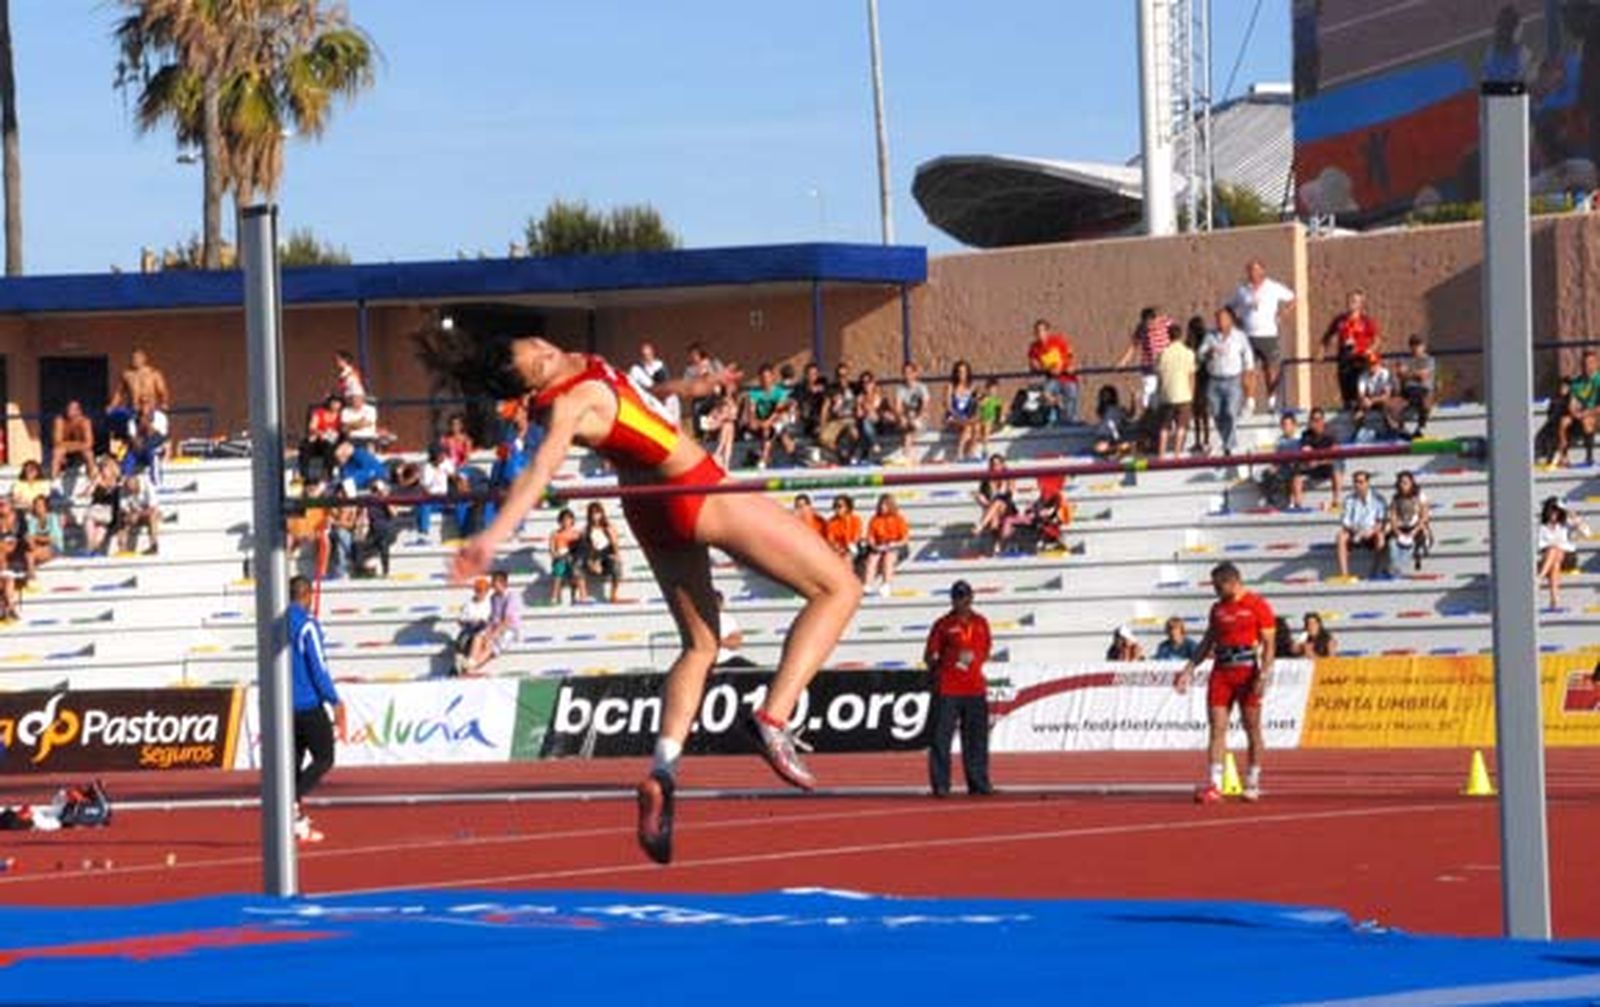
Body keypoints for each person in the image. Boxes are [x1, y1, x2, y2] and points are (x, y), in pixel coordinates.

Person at [450, 338, 862, 864]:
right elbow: (542, 469)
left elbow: (647, 393)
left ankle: (662, 774)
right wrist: (492, 536)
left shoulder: (584, 365)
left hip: (650, 509)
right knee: (839, 587)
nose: (541, 347)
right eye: (531, 358)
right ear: (532, 381)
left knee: (700, 645)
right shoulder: (570, 403)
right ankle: (773, 719)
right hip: (693, 487)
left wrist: (695, 388)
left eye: (532, 342)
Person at [1174, 562, 1276, 803]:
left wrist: (1264, 675)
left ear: (1232, 582)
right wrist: (1188, 669)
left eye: (1219, 587)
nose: (1215, 592)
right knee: (1217, 727)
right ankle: (1214, 784)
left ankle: (1252, 780)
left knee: (1252, 728)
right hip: (1221, 673)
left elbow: (1269, 645)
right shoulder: (1217, 609)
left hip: (1248, 672)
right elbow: (1207, 641)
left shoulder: (1257, 605)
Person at [923, 580, 994, 797]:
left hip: (974, 688)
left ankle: (978, 782)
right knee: (941, 738)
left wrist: (972, 662)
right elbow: (929, 655)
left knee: (976, 739)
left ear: (971, 598)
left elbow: (986, 648)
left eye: (964, 597)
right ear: (952, 599)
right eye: (957, 597)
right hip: (948, 689)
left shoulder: (981, 622)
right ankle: (941, 785)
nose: (961, 602)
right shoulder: (943, 624)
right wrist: (944, 667)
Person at [289, 575, 341, 844]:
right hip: (307, 704)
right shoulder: (307, 626)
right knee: (324, 758)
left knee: (293, 764)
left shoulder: (276, 624)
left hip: (283, 708)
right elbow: (318, 668)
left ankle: (294, 820)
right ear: (307, 595)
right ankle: (288, 805)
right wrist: (334, 700)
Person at [1226, 259, 1296, 412]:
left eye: (1257, 270)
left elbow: (1292, 298)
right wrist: (1237, 321)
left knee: (1270, 369)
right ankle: (1250, 402)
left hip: (1268, 334)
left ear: (1263, 271)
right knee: (1249, 369)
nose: (1254, 273)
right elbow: (1229, 306)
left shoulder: (1273, 287)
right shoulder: (1242, 289)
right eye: (1250, 270)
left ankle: (1272, 401)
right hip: (1248, 335)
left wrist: (1282, 314)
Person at [1200, 307, 1252, 459]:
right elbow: (1200, 354)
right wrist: (1208, 352)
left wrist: (1248, 371)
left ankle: (1229, 446)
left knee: (1230, 412)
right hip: (1214, 380)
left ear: (1230, 319)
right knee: (1217, 414)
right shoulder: (1210, 336)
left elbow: (1247, 354)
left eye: (1222, 318)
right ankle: (1228, 442)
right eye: (1217, 319)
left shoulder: (1240, 336)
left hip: (1232, 379)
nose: (1219, 322)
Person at [1320, 290, 1379, 412]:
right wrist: (1321, 351)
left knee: (1359, 390)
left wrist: (1370, 350)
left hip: (1360, 359)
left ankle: (1362, 416)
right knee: (1346, 391)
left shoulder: (1365, 321)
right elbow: (1328, 336)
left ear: (1360, 304)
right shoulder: (1340, 319)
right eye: (1349, 300)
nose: (1351, 303)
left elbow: (1377, 340)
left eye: (1354, 301)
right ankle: (1348, 411)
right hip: (1344, 358)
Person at [1538, 496, 1591, 609]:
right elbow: (1540, 548)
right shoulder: (1542, 528)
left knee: (1555, 549)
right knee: (1555, 562)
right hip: (1550, 560)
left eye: (1557, 510)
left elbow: (1587, 534)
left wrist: (1575, 518)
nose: (1554, 513)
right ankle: (1554, 601)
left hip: (1568, 558)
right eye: (1552, 510)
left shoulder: (1566, 524)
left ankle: (1539, 579)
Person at [465, 569, 521, 674]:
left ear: (502, 583)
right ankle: (471, 663)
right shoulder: (493, 597)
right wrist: (487, 632)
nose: (492, 585)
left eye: (494, 582)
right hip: (496, 627)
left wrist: (492, 636)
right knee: (478, 637)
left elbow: (507, 620)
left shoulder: (511, 597)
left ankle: (471, 668)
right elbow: (492, 618)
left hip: (509, 629)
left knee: (491, 646)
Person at [1118, 306, 1172, 413]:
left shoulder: (1166, 322)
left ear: (1155, 319)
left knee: (1166, 394)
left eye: (1150, 324)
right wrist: (1123, 361)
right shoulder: (1141, 328)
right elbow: (1134, 345)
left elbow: (1175, 336)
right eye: (1145, 324)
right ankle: (1150, 416)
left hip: (1166, 366)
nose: (1148, 327)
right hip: (1149, 366)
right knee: (1148, 395)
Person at [1335, 470, 1388, 580]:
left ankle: (1375, 572)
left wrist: (1370, 532)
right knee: (1341, 536)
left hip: (1372, 533)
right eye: (1355, 482)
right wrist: (1357, 531)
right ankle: (1344, 574)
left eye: (1361, 482)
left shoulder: (1378, 499)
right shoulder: (1349, 500)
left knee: (1381, 536)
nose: (1357, 485)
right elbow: (1346, 522)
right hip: (1355, 532)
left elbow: (1381, 521)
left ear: (1368, 483)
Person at [1290, 407, 1343, 511]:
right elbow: (1305, 451)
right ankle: (1297, 503)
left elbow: (1335, 454)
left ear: (1323, 420)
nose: (1315, 423)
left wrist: (1318, 461)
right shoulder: (1306, 435)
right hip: (1314, 465)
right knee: (1297, 470)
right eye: (1313, 420)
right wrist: (1310, 460)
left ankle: (1336, 501)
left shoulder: (1331, 433)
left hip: (1328, 464)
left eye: (1318, 420)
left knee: (1337, 465)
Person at [1156, 321, 1197, 457]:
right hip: (1183, 394)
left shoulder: (1162, 353)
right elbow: (1191, 375)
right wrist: (1191, 393)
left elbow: (1159, 374)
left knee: (1164, 427)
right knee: (1181, 426)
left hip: (1167, 394)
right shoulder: (1188, 353)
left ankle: (1161, 454)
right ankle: (1177, 453)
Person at [1027, 319, 1079, 424]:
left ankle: (1070, 422)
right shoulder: (1034, 348)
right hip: (1053, 379)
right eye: (1037, 332)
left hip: (1067, 378)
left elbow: (1070, 354)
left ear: (1047, 332)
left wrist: (1069, 366)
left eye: (1042, 331)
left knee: (1071, 398)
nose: (1040, 334)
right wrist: (1042, 368)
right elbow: (1033, 364)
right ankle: (1056, 405)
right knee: (1045, 393)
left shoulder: (1057, 341)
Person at [1388, 334, 1436, 437]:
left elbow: (1423, 376)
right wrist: (1412, 374)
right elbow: (1400, 374)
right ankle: (1400, 430)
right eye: (1412, 345)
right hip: (1407, 392)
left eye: (1418, 345)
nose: (1415, 348)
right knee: (1390, 406)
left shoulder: (1429, 360)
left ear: (1423, 346)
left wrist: (1408, 373)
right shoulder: (1406, 359)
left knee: (1425, 404)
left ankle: (1420, 429)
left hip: (1423, 391)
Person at [1386, 471, 1433, 574]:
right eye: (1401, 483)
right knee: (1392, 543)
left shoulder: (1420, 495)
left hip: (1416, 527)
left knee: (1415, 541)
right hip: (1401, 528)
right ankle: (1395, 566)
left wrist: (1414, 532)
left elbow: (1425, 516)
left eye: (1405, 482)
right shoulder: (1396, 498)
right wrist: (1398, 533)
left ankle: (1410, 562)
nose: (1403, 485)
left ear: (1412, 483)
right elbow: (1392, 517)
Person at [863, 493, 910, 596]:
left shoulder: (898, 519)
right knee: (872, 558)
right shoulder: (874, 519)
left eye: (884, 505)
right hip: (880, 546)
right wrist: (874, 546)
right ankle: (868, 584)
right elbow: (870, 537)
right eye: (880, 505)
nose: (881, 507)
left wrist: (894, 544)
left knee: (889, 558)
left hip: (896, 546)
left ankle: (886, 584)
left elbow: (905, 539)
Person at [1560, 350, 1600, 466]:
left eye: (1591, 363)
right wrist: (1574, 412)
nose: (1588, 366)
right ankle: (1564, 457)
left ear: (1597, 364)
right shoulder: (1577, 383)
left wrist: (1588, 413)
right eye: (1585, 364)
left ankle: (1589, 457)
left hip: (1595, 416)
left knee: (1587, 421)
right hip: (1580, 416)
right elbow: (1572, 403)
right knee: (1563, 422)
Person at [579, 501, 622, 603]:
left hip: (606, 554)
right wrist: (591, 561)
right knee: (577, 564)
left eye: (598, 513)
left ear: (602, 513)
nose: (595, 516)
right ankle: (583, 594)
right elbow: (586, 547)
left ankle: (613, 594)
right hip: (592, 555)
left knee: (617, 566)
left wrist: (616, 554)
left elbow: (614, 544)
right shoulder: (586, 530)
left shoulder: (608, 527)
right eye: (593, 513)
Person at [974, 454, 1017, 552]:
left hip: (1007, 507)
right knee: (994, 516)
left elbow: (1009, 495)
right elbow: (981, 495)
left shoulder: (1009, 477)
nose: (995, 467)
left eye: (997, 464)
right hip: (992, 509)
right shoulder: (986, 479)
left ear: (1002, 465)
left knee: (998, 502)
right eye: (993, 464)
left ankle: (981, 526)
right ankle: (997, 546)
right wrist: (980, 498)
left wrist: (1003, 485)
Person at [83, 457, 123, 556]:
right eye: (102, 467)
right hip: (102, 511)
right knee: (98, 528)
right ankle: (94, 549)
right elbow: (88, 493)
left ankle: (90, 547)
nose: (103, 470)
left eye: (105, 467)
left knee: (90, 519)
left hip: (105, 511)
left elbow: (89, 492)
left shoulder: (114, 483)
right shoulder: (101, 481)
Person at [1353, 353, 1398, 438]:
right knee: (1357, 410)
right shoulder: (1363, 375)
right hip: (1369, 400)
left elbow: (1386, 396)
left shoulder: (1385, 373)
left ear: (1379, 363)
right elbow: (1360, 394)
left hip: (1382, 400)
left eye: (1374, 364)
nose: (1371, 366)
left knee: (1388, 406)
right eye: (1369, 364)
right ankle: (1359, 432)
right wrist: (1364, 400)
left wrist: (1371, 401)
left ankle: (1393, 431)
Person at [453, 577, 492, 674]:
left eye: (482, 590)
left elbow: (489, 621)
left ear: (487, 591)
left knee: (478, 636)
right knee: (463, 638)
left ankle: (469, 667)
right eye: (478, 590)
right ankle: (463, 664)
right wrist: (468, 623)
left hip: (484, 633)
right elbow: (460, 620)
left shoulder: (489, 603)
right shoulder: (469, 604)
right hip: (469, 631)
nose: (480, 593)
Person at [1186, 316, 1213, 455]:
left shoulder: (1192, 343)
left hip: (1198, 377)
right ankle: (1204, 441)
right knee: (1202, 411)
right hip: (1202, 376)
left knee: (1198, 411)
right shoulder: (1203, 341)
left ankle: (1201, 441)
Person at [944, 360, 980, 460]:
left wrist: (975, 416)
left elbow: (976, 405)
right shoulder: (950, 387)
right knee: (967, 426)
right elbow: (947, 406)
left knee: (976, 427)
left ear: (968, 373)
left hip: (966, 417)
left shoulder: (972, 387)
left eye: (964, 372)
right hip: (953, 417)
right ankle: (959, 454)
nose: (961, 375)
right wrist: (958, 417)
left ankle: (971, 452)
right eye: (959, 372)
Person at [50, 401, 95, 479]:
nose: (70, 411)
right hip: (66, 449)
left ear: (79, 411)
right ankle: (54, 479)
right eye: (69, 408)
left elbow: (89, 443)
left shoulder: (85, 422)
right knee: (57, 452)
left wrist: (72, 446)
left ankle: (92, 478)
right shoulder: (60, 421)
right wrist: (75, 445)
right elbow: (57, 442)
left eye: (74, 409)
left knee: (89, 453)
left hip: (79, 449)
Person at [118, 471, 160, 555]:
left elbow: (153, 508)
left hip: (148, 514)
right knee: (122, 519)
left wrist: (137, 514)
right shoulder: (124, 488)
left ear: (137, 484)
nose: (131, 493)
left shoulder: (148, 484)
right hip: (134, 514)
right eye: (129, 491)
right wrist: (128, 515)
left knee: (153, 516)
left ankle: (153, 546)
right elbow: (123, 508)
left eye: (133, 491)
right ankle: (122, 549)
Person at [547, 508, 584, 604]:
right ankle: (554, 596)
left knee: (575, 568)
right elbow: (551, 551)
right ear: (560, 521)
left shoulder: (577, 534)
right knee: (559, 567)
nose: (566, 522)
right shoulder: (555, 534)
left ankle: (581, 595)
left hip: (573, 560)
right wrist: (557, 555)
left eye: (568, 519)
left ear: (572, 520)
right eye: (563, 519)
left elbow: (581, 550)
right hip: (560, 558)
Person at [895, 362, 931, 456]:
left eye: (910, 372)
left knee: (908, 433)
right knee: (907, 429)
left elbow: (925, 406)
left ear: (915, 374)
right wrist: (901, 417)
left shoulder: (921, 387)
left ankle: (906, 455)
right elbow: (898, 407)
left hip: (921, 419)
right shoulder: (900, 389)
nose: (907, 375)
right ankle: (908, 456)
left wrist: (916, 418)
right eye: (905, 373)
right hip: (908, 419)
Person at [714, 590, 755, 667]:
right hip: (711, 663)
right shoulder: (699, 619)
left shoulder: (727, 619)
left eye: (719, 602)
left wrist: (718, 641)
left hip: (729, 660)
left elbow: (736, 642)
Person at [824, 494, 864, 564]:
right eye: (835, 506)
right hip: (838, 548)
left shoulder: (855, 519)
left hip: (853, 548)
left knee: (847, 558)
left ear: (847, 507)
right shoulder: (831, 522)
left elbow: (856, 538)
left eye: (839, 506)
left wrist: (846, 549)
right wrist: (837, 548)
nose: (836, 508)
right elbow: (831, 539)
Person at [976, 378, 1004, 456]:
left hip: (992, 422)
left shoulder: (997, 400)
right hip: (982, 420)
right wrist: (981, 399)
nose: (993, 391)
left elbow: (998, 414)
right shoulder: (984, 399)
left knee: (987, 425)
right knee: (977, 427)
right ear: (987, 389)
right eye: (991, 389)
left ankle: (984, 449)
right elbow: (978, 407)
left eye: (995, 389)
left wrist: (999, 420)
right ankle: (972, 450)